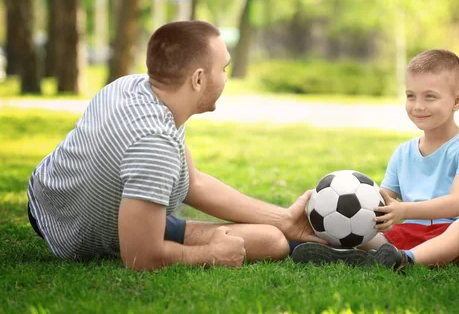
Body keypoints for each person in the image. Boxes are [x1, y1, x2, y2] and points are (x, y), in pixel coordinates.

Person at [27, 20, 324, 271]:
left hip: (49, 198)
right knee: (270, 242)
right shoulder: (154, 146)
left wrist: (284, 219)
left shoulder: (130, 87)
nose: (225, 78)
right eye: (223, 69)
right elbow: (139, 257)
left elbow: (195, 184)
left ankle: (294, 231)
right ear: (198, 79)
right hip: (73, 231)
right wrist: (211, 255)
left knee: (274, 234)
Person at [291, 49, 459, 270]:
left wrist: (404, 211)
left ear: (457, 101)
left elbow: (457, 204)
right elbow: (383, 200)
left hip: (455, 236)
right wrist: (330, 202)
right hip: (409, 234)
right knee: (366, 230)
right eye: (410, 96)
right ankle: (340, 251)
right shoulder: (403, 152)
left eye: (430, 96)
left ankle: (405, 260)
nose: (418, 106)